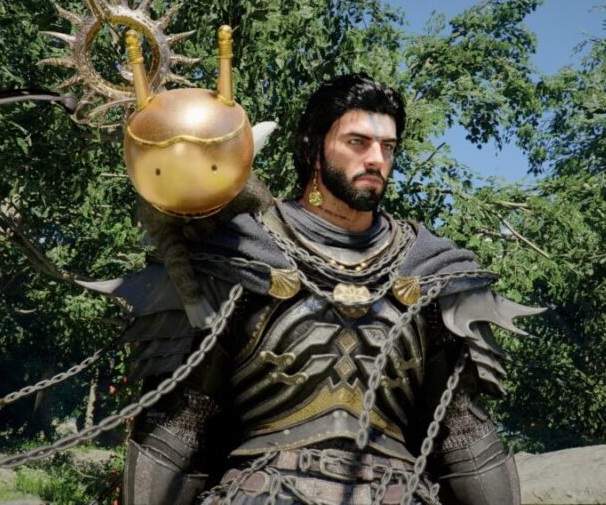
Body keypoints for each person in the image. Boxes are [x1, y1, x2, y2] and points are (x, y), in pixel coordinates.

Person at [116, 73, 541, 505]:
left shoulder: (430, 266)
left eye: (388, 147)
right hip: (263, 491)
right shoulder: (241, 252)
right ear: (312, 149)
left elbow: (465, 439)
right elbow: (179, 429)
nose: (376, 159)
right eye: (358, 142)